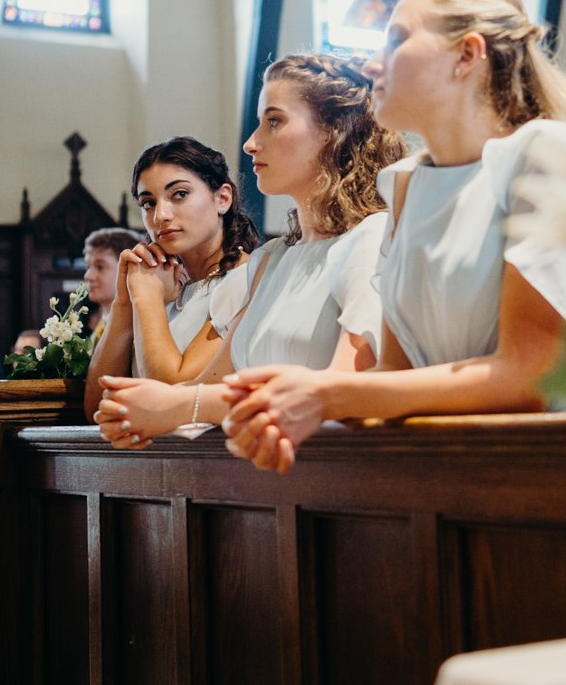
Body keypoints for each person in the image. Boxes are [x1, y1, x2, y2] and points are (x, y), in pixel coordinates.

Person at [221, 0, 566, 473]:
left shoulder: (541, 154)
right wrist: (280, 410)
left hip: (542, 469)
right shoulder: (404, 186)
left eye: (396, 40)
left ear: (466, 55)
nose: (373, 64)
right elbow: (395, 373)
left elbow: (526, 377)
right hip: (431, 470)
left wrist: (328, 394)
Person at [92, 54, 407, 447]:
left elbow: (344, 388)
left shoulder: (372, 239)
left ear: (332, 130)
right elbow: (213, 383)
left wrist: (176, 406)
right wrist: (146, 407)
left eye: (273, 121)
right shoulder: (270, 260)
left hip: (330, 469)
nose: (251, 142)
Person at [82, 138, 261, 418]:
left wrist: (148, 299)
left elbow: (171, 396)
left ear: (223, 198)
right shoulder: (160, 283)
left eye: (179, 194)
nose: (160, 216)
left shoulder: (248, 278)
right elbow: (96, 407)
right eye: (148, 203)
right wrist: (124, 303)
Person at [81, 226, 146, 343]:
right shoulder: (101, 323)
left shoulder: (137, 330)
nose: (88, 276)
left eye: (100, 267)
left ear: (128, 270)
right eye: (88, 266)